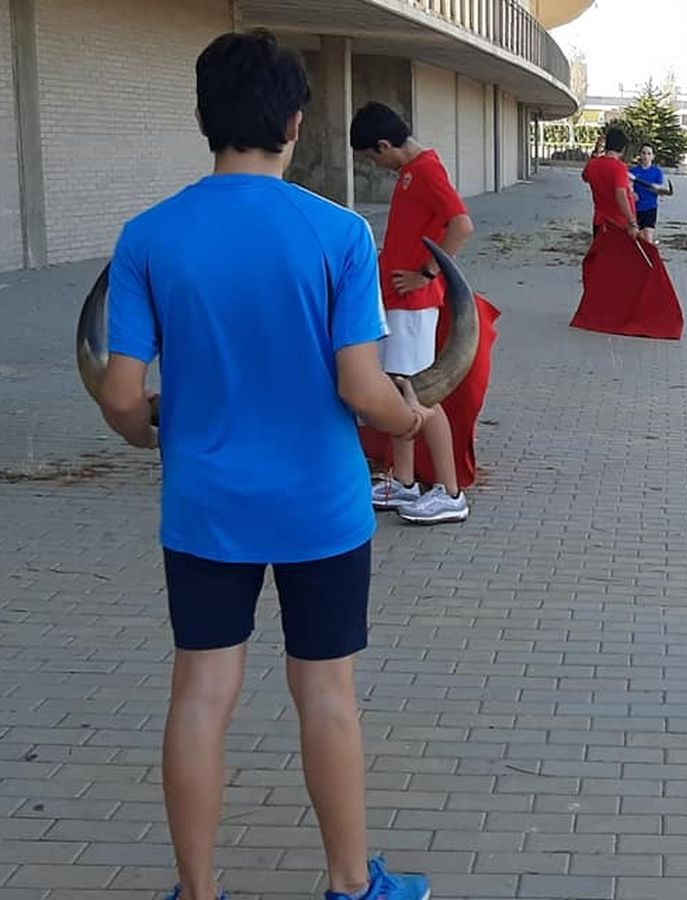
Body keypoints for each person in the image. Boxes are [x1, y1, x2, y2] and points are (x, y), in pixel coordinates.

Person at [97, 30, 433, 900]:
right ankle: (351, 885)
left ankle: (198, 892)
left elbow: (123, 394)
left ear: (203, 118)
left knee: (202, 693)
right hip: (322, 505)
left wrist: (154, 437)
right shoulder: (338, 232)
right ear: (294, 122)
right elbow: (363, 388)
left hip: (205, 504)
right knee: (326, 693)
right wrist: (410, 414)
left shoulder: (147, 237)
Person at [350, 101, 474, 525]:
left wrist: (427, 272)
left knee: (421, 395)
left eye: (372, 156)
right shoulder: (411, 172)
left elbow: (461, 223)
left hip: (415, 305)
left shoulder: (425, 170)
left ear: (385, 144)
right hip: (399, 304)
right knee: (398, 389)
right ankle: (402, 481)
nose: (374, 164)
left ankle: (450, 491)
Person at [583, 127, 639, 240]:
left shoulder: (592, 165)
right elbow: (620, 196)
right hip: (618, 223)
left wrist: (595, 154)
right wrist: (632, 222)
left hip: (599, 220)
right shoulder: (619, 167)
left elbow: (585, 176)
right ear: (623, 149)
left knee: (601, 256)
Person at [629, 144, 672, 244]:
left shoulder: (657, 172)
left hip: (650, 208)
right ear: (640, 155)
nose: (646, 156)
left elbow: (661, 189)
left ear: (653, 156)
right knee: (638, 238)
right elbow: (628, 186)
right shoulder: (633, 171)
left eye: (649, 154)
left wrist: (658, 190)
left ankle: (650, 257)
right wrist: (632, 193)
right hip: (636, 208)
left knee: (648, 238)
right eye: (643, 153)